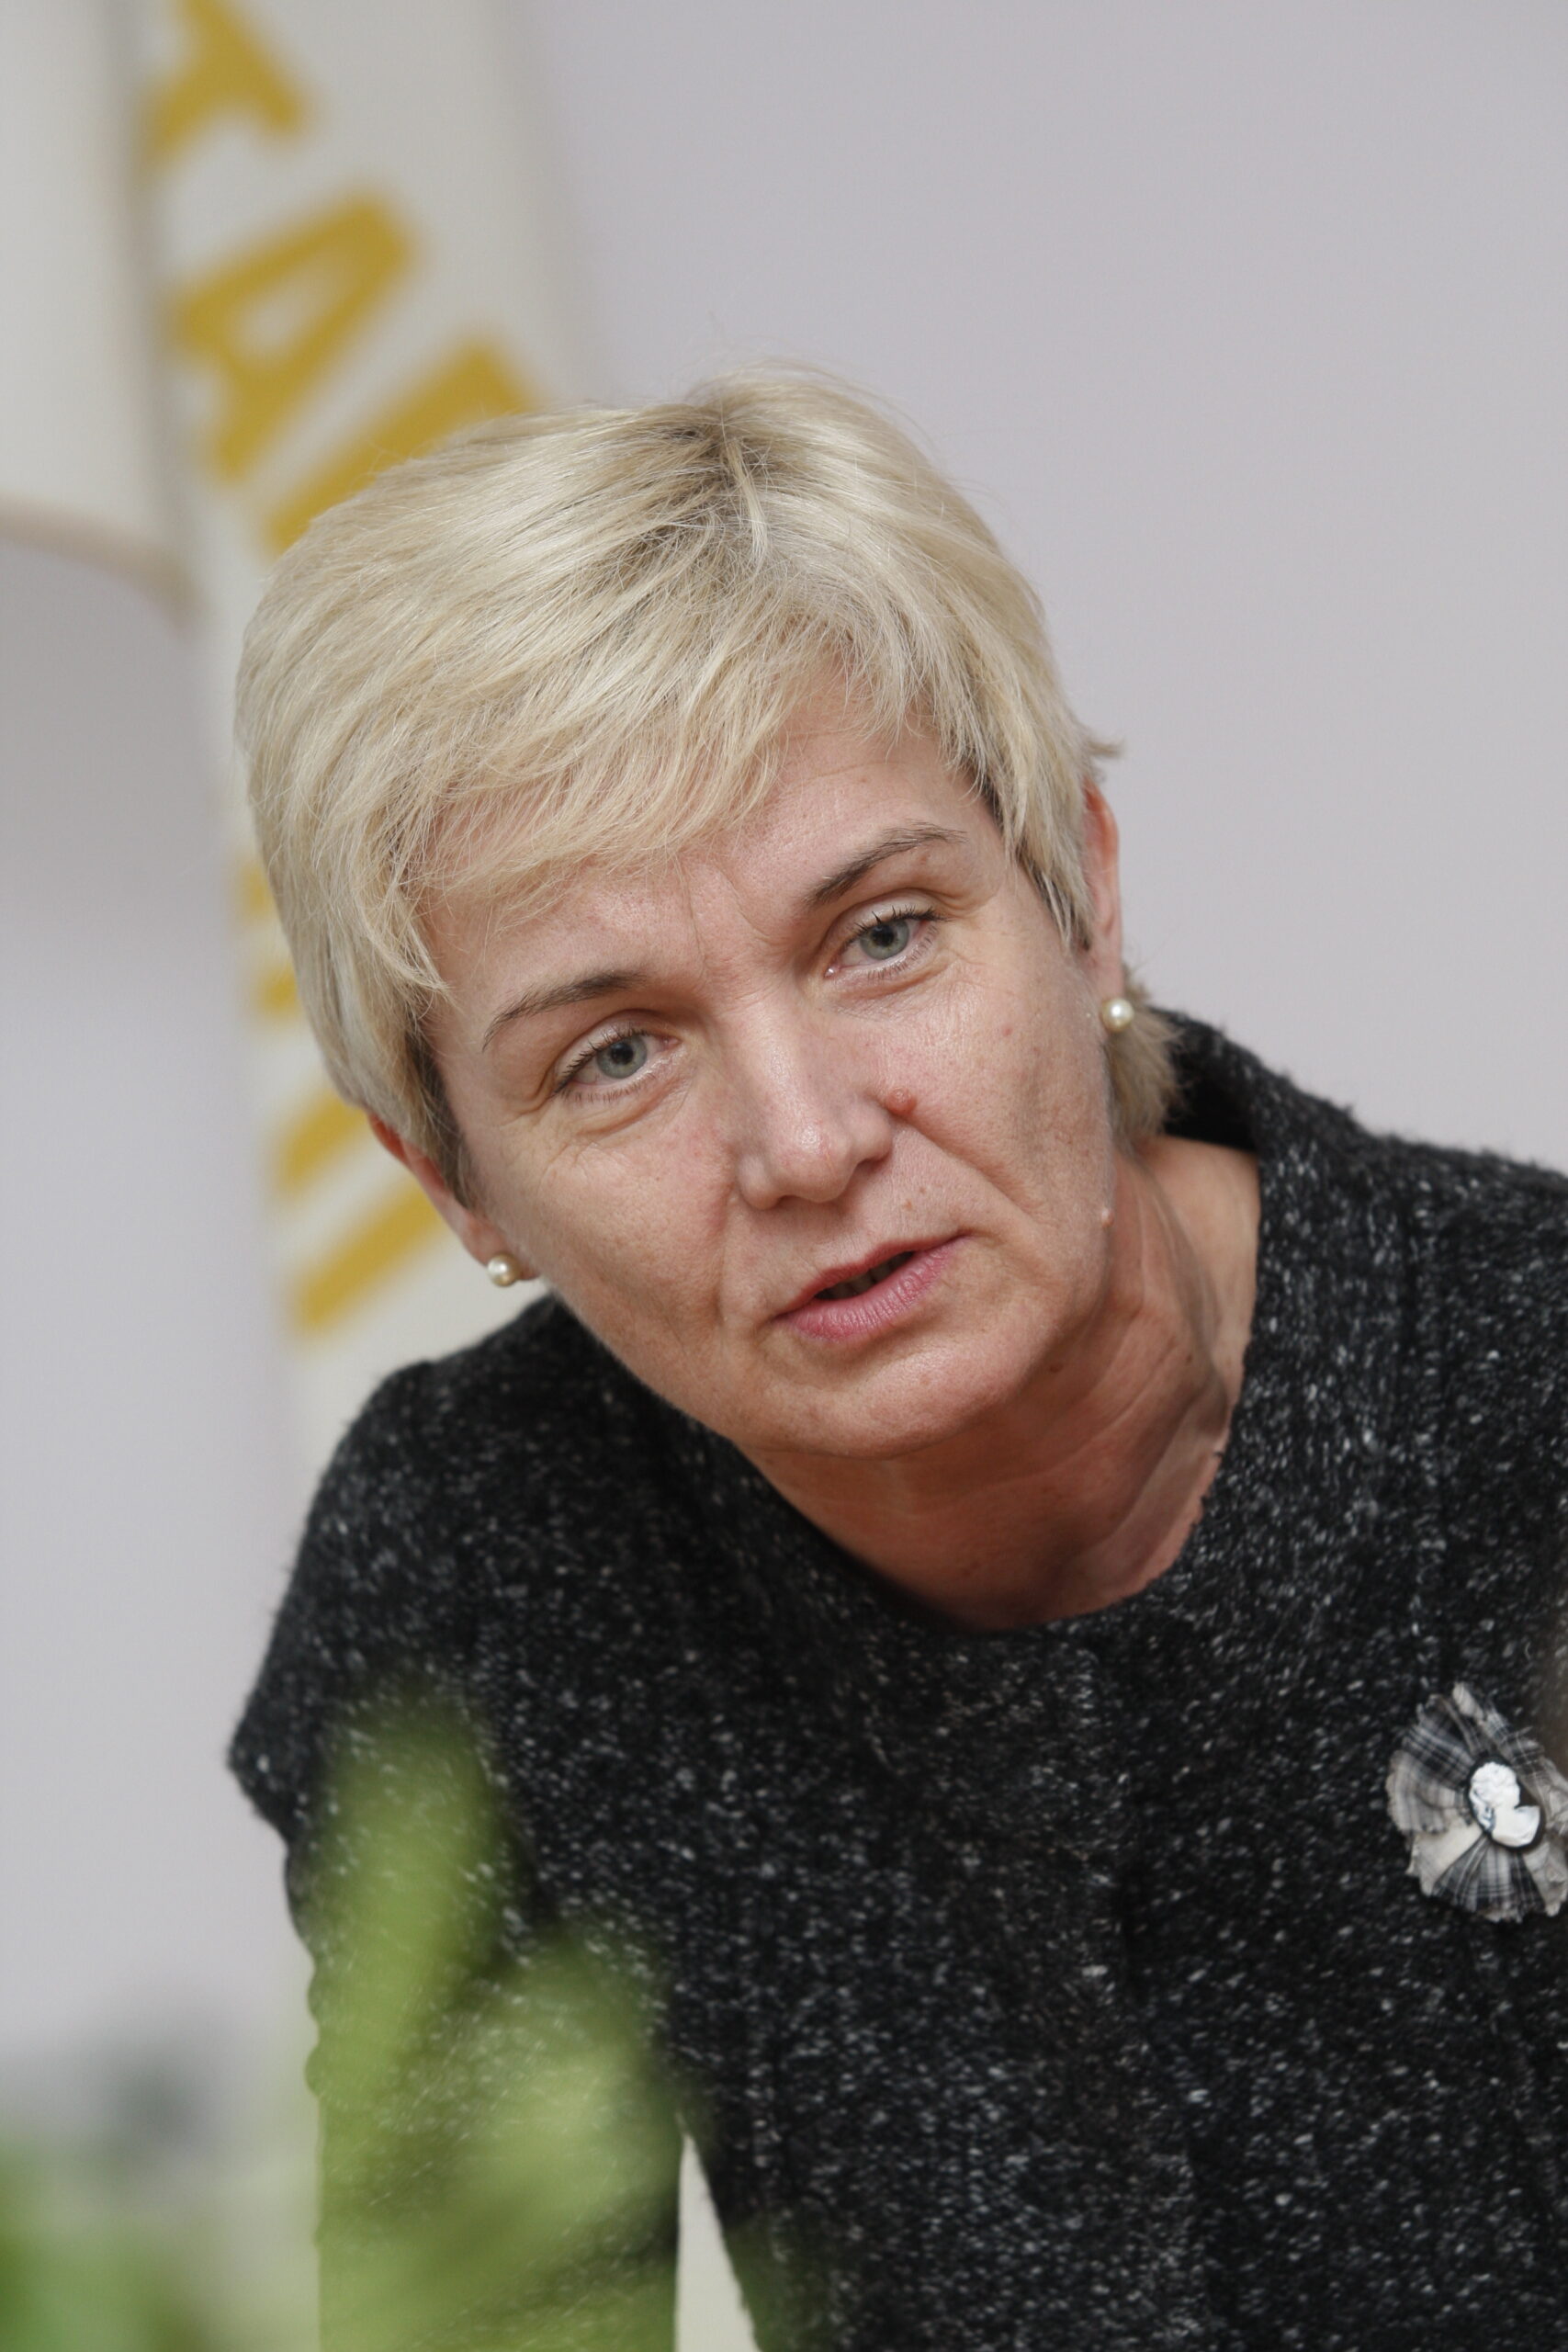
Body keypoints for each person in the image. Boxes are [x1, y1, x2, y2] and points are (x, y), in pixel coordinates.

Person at [231, 375, 1568, 2349]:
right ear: (451, 1178)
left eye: (877, 936)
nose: (804, 1141)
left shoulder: (1528, 1376)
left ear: (1079, 896)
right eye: (616, 1054)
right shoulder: (484, 1554)